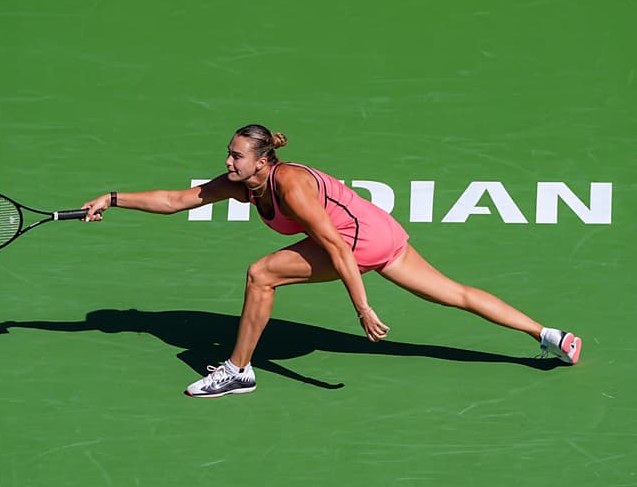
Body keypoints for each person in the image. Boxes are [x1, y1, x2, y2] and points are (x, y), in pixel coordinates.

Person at [80, 124, 582, 397]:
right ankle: (550, 337)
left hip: (356, 241)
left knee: (261, 274)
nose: (228, 162)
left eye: (237, 156)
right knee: (456, 294)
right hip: (378, 228)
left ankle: (238, 369)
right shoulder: (241, 184)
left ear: (263, 160)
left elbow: (339, 248)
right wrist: (113, 197)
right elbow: (176, 201)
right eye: (229, 154)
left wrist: (361, 307)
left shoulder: (290, 187)